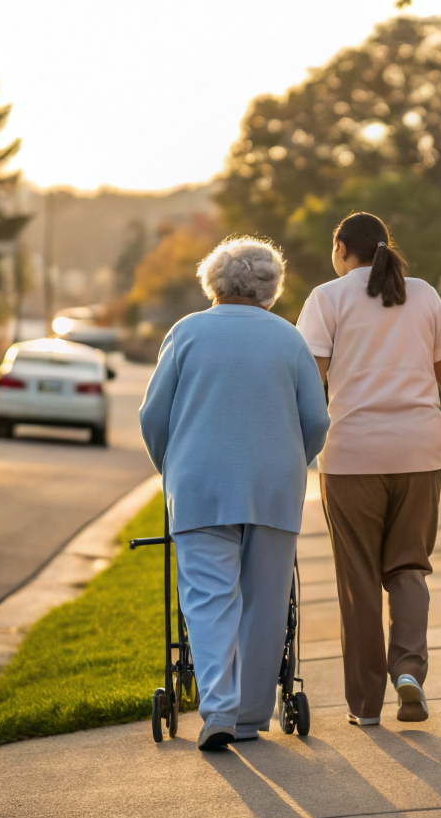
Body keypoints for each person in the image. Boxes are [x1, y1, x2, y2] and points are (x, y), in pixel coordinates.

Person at [139, 237, 329, 752]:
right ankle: (248, 717)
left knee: (207, 599)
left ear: (213, 282)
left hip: (199, 484)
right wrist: (293, 458)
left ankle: (217, 709)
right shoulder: (288, 339)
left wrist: (171, 467)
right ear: (270, 287)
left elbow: (152, 417)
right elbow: (317, 420)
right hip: (273, 485)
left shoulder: (187, 333)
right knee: (267, 601)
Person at [296, 212, 441, 725]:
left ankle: (366, 707)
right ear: (385, 247)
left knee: (360, 581)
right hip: (418, 452)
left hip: (352, 458)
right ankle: (409, 671)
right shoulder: (425, 294)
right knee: (409, 568)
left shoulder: (327, 298)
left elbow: (310, 380)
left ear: (342, 248)